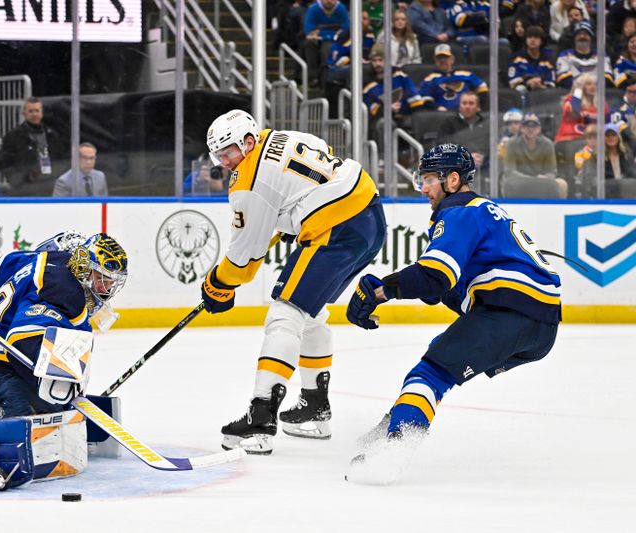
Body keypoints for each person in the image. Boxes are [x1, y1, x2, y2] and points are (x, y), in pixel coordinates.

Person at [344, 143, 562, 485]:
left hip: (510, 313)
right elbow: (447, 287)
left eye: (429, 179)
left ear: (454, 179)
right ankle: (397, 418)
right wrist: (428, 289)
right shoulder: (487, 210)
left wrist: (380, 291)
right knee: (445, 349)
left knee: (430, 373)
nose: (424, 188)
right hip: (542, 328)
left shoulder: (458, 211)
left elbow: (435, 275)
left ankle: (394, 447)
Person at [202, 109, 386, 454]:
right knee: (309, 314)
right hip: (370, 216)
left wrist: (217, 283)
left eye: (228, 151)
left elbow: (245, 259)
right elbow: (314, 165)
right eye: (218, 155)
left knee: (285, 314)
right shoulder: (283, 136)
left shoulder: (247, 183)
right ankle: (314, 410)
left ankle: (260, 420)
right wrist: (293, 218)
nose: (224, 161)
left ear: (248, 141)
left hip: (336, 227)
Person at [0, 232, 128, 490]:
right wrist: (56, 382)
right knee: (38, 421)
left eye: (111, 282)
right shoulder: (66, 291)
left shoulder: (49, 261)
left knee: (55, 414)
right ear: (85, 267)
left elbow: (4, 267)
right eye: (102, 279)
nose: (106, 289)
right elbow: (21, 339)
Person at [0, 97, 66, 195]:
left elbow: (61, 159)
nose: (34, 114)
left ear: (42, 113)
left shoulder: (52, 135)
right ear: (23, 113)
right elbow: (4, 162)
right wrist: (18, 180)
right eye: (30, 111)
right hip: (24, 187)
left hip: (49, 185)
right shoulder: (13, 136)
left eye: (37, 111)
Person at [503, 113, 567, 197]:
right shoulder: (511, 143)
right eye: (527, 126)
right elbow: (509, 171)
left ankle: (557, 209)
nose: (530, 129)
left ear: (539, 129)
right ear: (522, 129)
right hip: (520, 181)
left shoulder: (548, 144)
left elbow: (552, 171)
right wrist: (530, 179)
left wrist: (544, 177)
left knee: (562, 184)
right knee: (507, 182)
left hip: (542, 181)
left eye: (534, 126)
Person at [419, 44, 489, 112]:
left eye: (445, 57)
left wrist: (479, 106)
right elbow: (425, 98)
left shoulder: (466, 75)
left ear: (452, 59)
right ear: (435, 60)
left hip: (467, 111)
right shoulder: (429, 79)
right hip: (443, 115)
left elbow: (482, 86)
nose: (442, 60)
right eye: (439, 58)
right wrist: (437, 108)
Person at [437, 92, 490, 172]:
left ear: (478, 107)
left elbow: (491, 143)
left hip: (483, 164)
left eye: (471, 103)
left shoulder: (485, 123)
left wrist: (483, 156)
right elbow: (443, 144)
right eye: (464, 103)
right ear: (459, 106)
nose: (467, 106)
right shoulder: (449, 122)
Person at [302, 0, 350, 86]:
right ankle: (313, 77)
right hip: (317, 40)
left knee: (327, 48)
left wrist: (322, 34)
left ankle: (326, 79)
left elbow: (346, 29)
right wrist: (333, 32)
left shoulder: (341, 8)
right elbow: (309, 31)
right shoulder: (313, 9)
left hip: (333, 40)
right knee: (310, 44)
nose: (329, 1)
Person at [555, 20, 614, 88]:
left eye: (586, 34)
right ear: (574, 38)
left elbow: (607, 77)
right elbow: (564, 79)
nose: (582, 36)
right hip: (573, 92)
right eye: (579, 34)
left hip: (596, 92)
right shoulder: (565, 55)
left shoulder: (601, 55)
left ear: (591, 37)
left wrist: (590, 86)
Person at [507, 25, 556, 93]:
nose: (532, 40)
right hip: (523, 90)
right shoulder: (516, 58)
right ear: (526, 40)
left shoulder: (548, 60)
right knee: (520, 88)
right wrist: (528, 82)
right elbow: (513, 81)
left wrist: (541, 86)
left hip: (542, 91)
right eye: (529, 37)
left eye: (536, 37)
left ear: (541, 41)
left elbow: (551, 83)